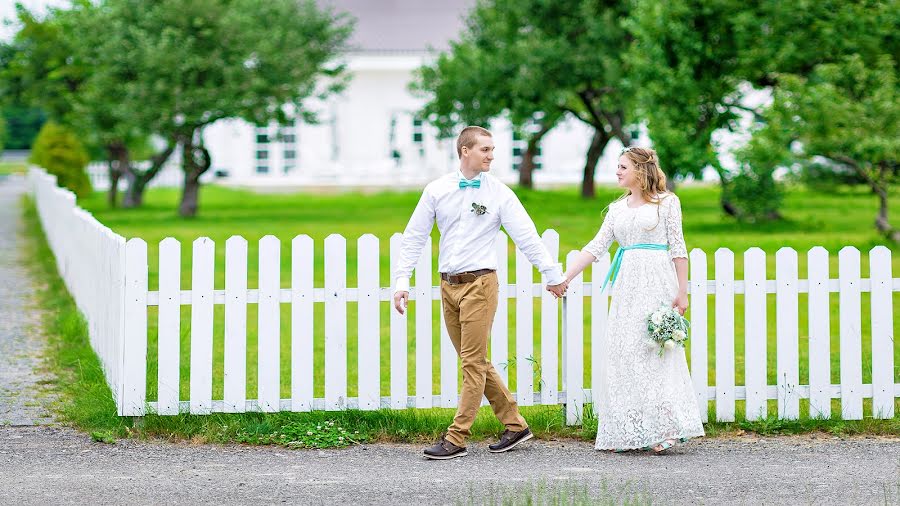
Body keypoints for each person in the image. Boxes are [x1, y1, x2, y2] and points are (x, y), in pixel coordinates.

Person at [393, 126, 568, 460]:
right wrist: (402, 282)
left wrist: (551, 274)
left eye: (492, 149)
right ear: (465, 151)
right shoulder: (437, 189)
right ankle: (516, 425)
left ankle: (456, 437)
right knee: (474, 361)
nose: (491, 155)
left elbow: (526, 236)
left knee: (472, 363)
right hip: (448, 285)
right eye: (485, 149)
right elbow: (414, 236)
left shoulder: (499, 192)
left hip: (480, 285)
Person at [560, 146, 704, 454]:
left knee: (655, 350)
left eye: (623, 167)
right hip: (627, 286)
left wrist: (682, 291)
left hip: (657, 281)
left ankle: (666, 427)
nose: (617, 172)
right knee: (625, 351)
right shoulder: (617, 209)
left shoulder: (667, 202)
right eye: (618, 166)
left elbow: (678, 248)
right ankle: (627, 431)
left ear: (640, 171)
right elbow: (596, 246)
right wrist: (567, 276)